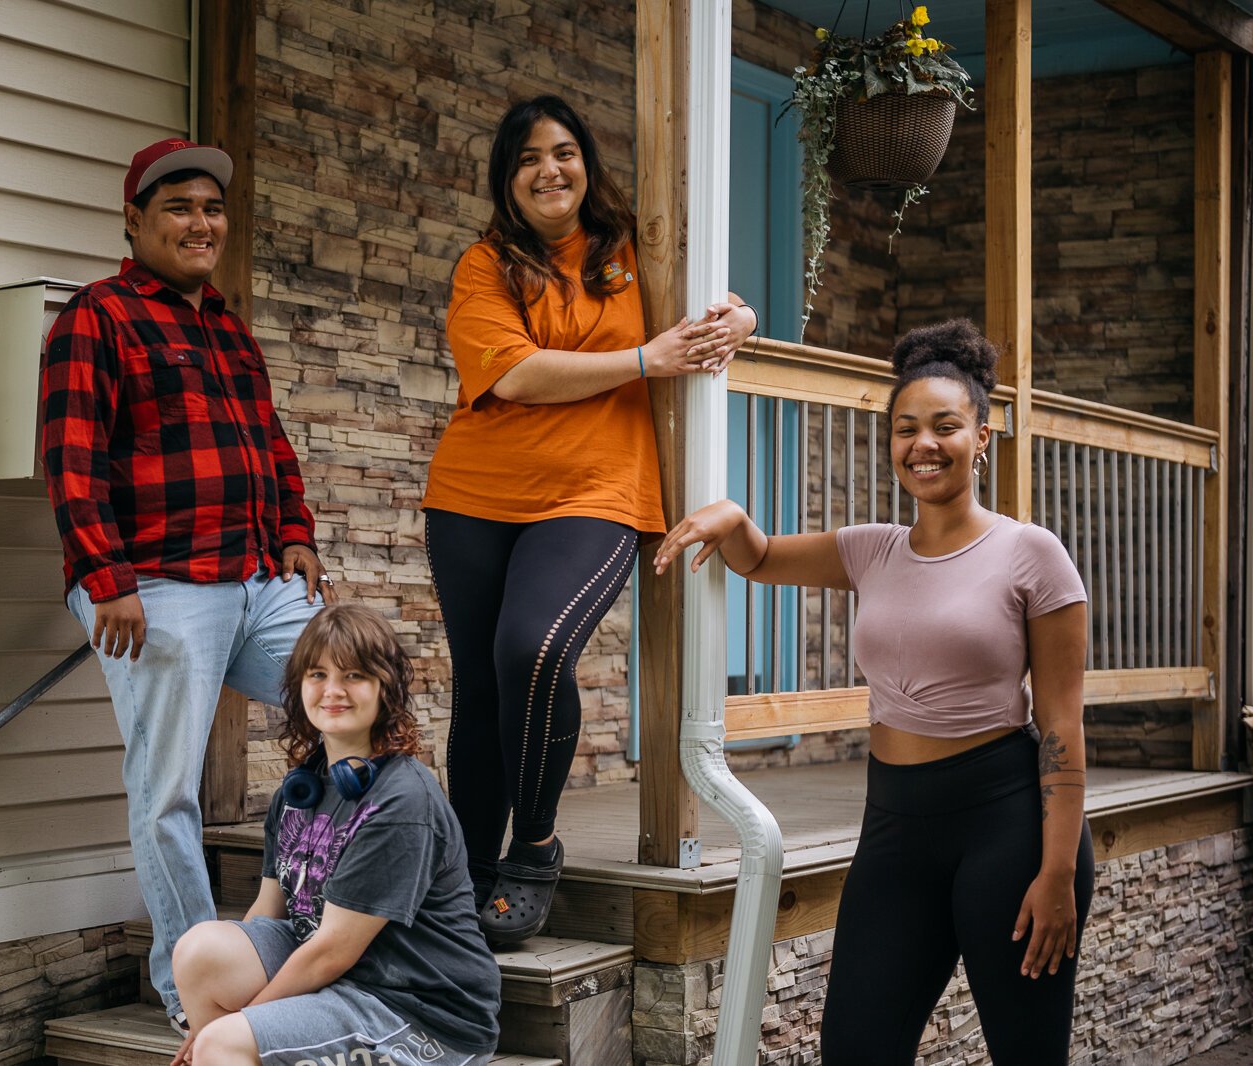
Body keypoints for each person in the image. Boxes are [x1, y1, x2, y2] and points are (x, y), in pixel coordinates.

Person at [654, 319, 1094, 1064]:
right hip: (895, 821)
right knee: (856, 1048)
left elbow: (1060, 726)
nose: (924, 444)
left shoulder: (1030, 553)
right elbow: (758, 558)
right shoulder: (871, 549)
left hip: (1008, 826)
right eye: (906, 429)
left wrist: (1056, 875)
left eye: (945, 427)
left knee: (1027, 1053)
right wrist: (729, 515)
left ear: (981, 438)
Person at [421, 94, 759, 942]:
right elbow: (513, 373)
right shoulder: (484, 266)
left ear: (586, 163)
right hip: (473, 496)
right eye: (528, 158)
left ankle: (533, 848)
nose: (549, 170)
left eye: (563, 152)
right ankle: (465, 873)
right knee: (479, 689)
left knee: (531, 651)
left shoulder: (635, 252)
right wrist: (645, 359)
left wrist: (742, 318)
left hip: (598, 493)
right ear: (507, 180)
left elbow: (719, 303)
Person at [39, 137, 336, 1032]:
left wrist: (295, 533)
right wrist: (105, 577)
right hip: (153, 586)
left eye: (211, 207)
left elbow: (270, 445)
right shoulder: (96, 317)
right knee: (166, 790)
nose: (201, 222)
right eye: (178, 207)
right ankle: (191, 988)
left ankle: (333, 924)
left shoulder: (228, 329)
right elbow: (71, 458)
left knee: (359, 703)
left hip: (255, 578)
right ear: (134, 221)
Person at [167, 604, 502, 1066]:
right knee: (199, 952)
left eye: (354, 676)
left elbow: (332, 952)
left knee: (222, 1043)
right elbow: (266, 913)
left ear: (386, 688)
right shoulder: (300, 790)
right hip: (340, 979)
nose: (333, 691)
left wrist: (241, 1021)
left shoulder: (401, 802)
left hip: (420, 1014)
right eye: (317, 675)